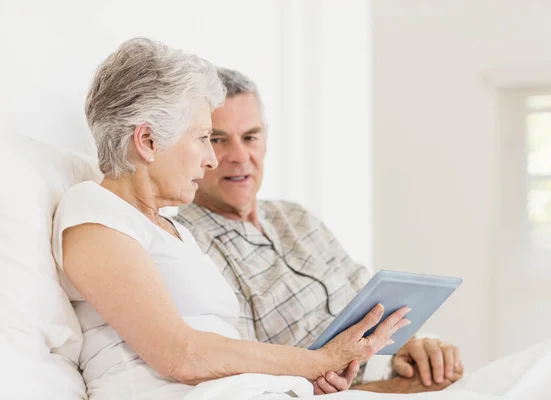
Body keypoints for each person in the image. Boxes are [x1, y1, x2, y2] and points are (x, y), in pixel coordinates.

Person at [51, 37, 411, 400]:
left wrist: (304, 380)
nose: (211, 159)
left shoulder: (171, 230)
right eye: (205, 139)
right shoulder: (94, 207)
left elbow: (223, 351)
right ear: (147, 141)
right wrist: (318, 361)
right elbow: (181, 355)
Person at [174, 68, 463, 394]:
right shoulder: (186, 245)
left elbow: (371, 304)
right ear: (195, 148)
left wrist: (412, 352)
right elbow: (243, 375)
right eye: (217, 139)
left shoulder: (295, 216)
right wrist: (389, 387)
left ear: (266, 143)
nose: (240, 157)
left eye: (251, 137)